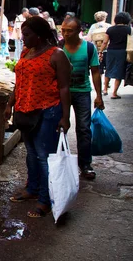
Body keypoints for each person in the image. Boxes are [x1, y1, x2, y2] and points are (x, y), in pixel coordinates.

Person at [5, 16, 71, 218]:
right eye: (23, 34)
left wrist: (66, 117)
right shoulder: (27, 52)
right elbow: (20, 81)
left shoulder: (56, 55)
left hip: (48, 110)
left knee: (44, 157)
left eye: (27, 34)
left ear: (40, 35)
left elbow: (65, 87)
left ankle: (46, 199)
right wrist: (10, 104)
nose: (23, 38)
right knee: (31, 154)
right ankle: (32, 189)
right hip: (25, 110)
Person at [61, 18, 104, 180]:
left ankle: (85, 164)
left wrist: (99, 96)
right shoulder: (59, 47)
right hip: (61, 93)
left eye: (69, 30)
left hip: (82, 92)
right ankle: (62, 162)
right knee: (60, 127)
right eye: (63, 30)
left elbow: (95, 72)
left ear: (79, 30)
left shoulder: (89, 48)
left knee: (84, 129)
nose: (65, 33)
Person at [99, 12, 132, 99]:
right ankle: (114, 93)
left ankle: (105, 89)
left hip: (111, 51)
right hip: (122, 52)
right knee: (120, 71)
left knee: (109, 69)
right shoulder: (129, 29)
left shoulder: (110, 29)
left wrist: (100, 51)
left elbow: (105, 42)